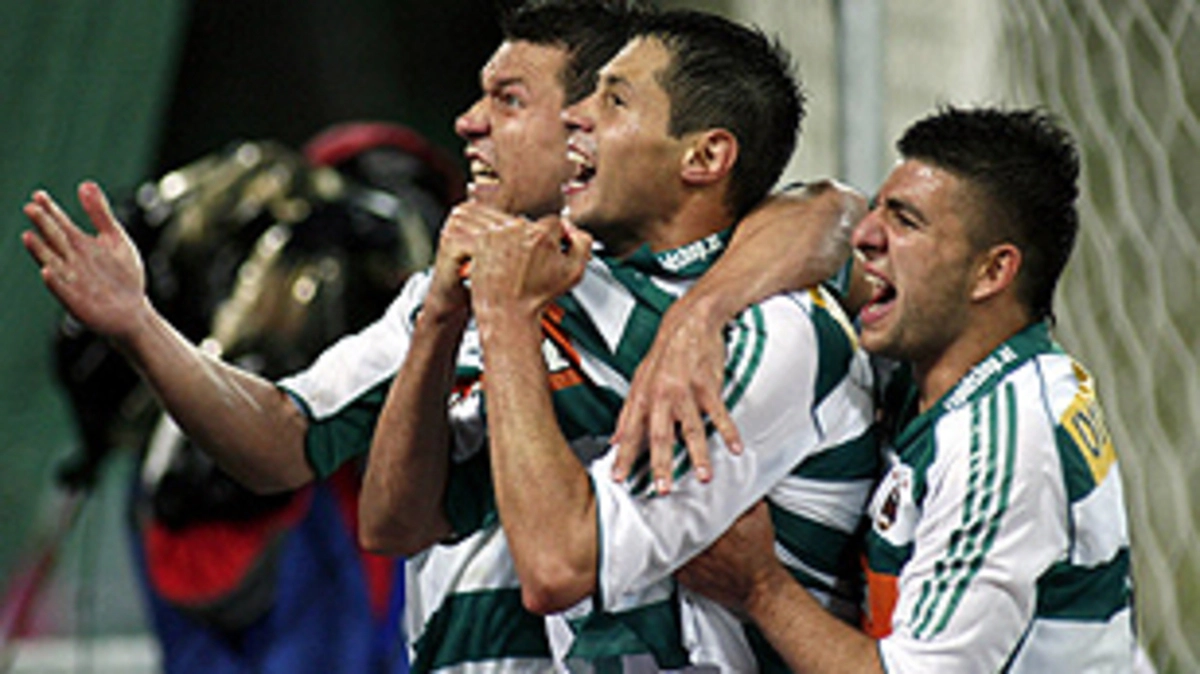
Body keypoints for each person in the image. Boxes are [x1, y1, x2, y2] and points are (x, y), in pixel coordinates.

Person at [22, 1, 860, 671]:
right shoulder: (464, 291)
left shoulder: (755, 313)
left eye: (510, 99)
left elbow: (837, 213)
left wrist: (701, 310)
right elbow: (364, 504)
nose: (466, 123)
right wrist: (141, 326)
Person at [369, 9, 877, 670]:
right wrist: (441, 316)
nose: (574, 116)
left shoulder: (777, 332)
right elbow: (396, 522)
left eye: (613, 100)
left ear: (704, 156)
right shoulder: (573, 285)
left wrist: (506, 317)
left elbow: (558, 568)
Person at [652, 106, 1136, 672]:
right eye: (878, 208)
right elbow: (820, 214)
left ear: (990, 273)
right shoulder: (935, 371)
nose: (865, 236)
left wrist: (760, 587)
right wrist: (702, 314)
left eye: (905, 222)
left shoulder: (1003, 442)